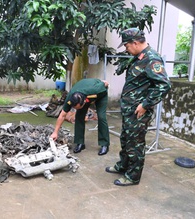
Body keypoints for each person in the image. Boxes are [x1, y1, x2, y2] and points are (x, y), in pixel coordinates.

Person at [105, 28, 171, 186]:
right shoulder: (137, 57)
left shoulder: (152, 59)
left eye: (126, 45)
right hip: (129, 109)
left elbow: (164, 85)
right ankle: (123, 165)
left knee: (135, 143)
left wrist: (145, 105)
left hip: (138, 110)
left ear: (135, 43)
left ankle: (133, 176)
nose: (126, 48)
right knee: (126, 138)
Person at [50, 78, 110, 155]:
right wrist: (55, 132)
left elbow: (106, 84)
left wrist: (102, 83)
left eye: (78, 108)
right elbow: (62, 115)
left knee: (101, 117)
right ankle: (80, 143)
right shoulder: (70, 99)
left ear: (84, 102)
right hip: (85, 95)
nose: (75, 109)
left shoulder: (95, 89)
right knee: (79, 116)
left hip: (100, 95)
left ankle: (104, 144)